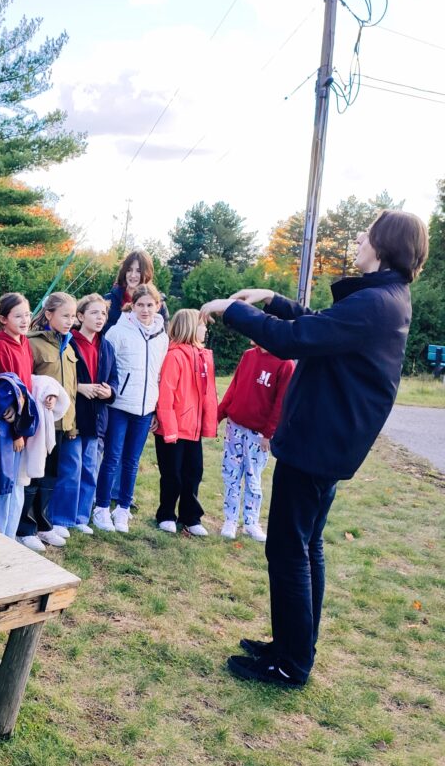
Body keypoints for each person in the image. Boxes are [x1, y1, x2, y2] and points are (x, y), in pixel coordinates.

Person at [200, 209, 430, 688]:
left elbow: (293, 340)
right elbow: (318, 324)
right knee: (306, 547)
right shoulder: (383, 298)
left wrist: (233, 310)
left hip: (317, 442)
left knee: (289, 549)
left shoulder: (376, 302)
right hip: (327, 442)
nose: (360, 238)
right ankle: (293, 648)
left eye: (368, 233)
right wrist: (272, 298)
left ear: (384, 246)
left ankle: (291, 663)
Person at [93, 283, 169, 533]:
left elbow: (158, 374)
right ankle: (102, 507)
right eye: (140, 305)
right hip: (120, 405)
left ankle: (123, 508)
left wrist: (155, 408)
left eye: (150, 305)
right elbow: (106, 366)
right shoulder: (118, 331)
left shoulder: (162, 337)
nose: (145, 310)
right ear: (132, 306)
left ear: (157, 306)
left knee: (132, 461)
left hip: (145, 409)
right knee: (112, 458)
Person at [52, 293, 118, 534]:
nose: (100, 318)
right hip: (74, 416)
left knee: (90, 469)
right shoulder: (69, 342)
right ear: (80, 316)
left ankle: (81, 517)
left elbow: (114, 379)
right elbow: (60, 377)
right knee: (71, 468)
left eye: (103, 313)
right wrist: (80, 387)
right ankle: (61, 518)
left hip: (97, 418)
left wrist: (109, 391)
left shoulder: (106, 346)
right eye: (94, 313)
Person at [18, 292, 79, 549]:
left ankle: (44, 525)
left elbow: (71, 389)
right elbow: (27, 381)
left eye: (73, 316)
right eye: (65, 315)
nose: (70, 321)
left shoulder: (69, 346)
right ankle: (25, 528)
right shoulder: (32, 344)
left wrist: (72, 423)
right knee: (32, 475)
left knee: (50, 476)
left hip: (61, 425)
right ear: (49, 314)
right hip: (40, 426)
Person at [217, 342, 295, 542]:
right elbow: (234, 387)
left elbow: (281, 403)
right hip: (235, 426)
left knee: (253, 477)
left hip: (259, 435)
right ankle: (230, 520)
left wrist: (269, 433)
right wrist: (219, 414)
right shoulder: (248, 355)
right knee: (231, 474)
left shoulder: (285, 363)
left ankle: (251, 522)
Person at [153, 308, 218, 536]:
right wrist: (169, 429)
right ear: (190, 327)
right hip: (173, 429)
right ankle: (166, 515)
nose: (205, 329)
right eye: (202, 325)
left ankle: (191, 517)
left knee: (193, 474)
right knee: (172, 475)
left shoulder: (203, 356)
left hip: (193, 429)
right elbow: (166, 394)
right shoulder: (174, 356)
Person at [0, 293, 37, 538]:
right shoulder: (0, 345)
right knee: (4, 483)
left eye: (27, 314)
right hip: (9, 430)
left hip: (23, 425)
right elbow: (7, 394)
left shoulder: (24, 342)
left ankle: (10, 533)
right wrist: (16, 431)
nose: (25, 320)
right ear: (3, 318)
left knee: (18, 483)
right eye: (18, 316)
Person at [103, 248, 170, 330]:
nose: (133, 275)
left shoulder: (158, 304)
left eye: (138, 271)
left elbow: (164, 335)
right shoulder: (108, 301)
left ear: (147, 273)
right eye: (129, 270)